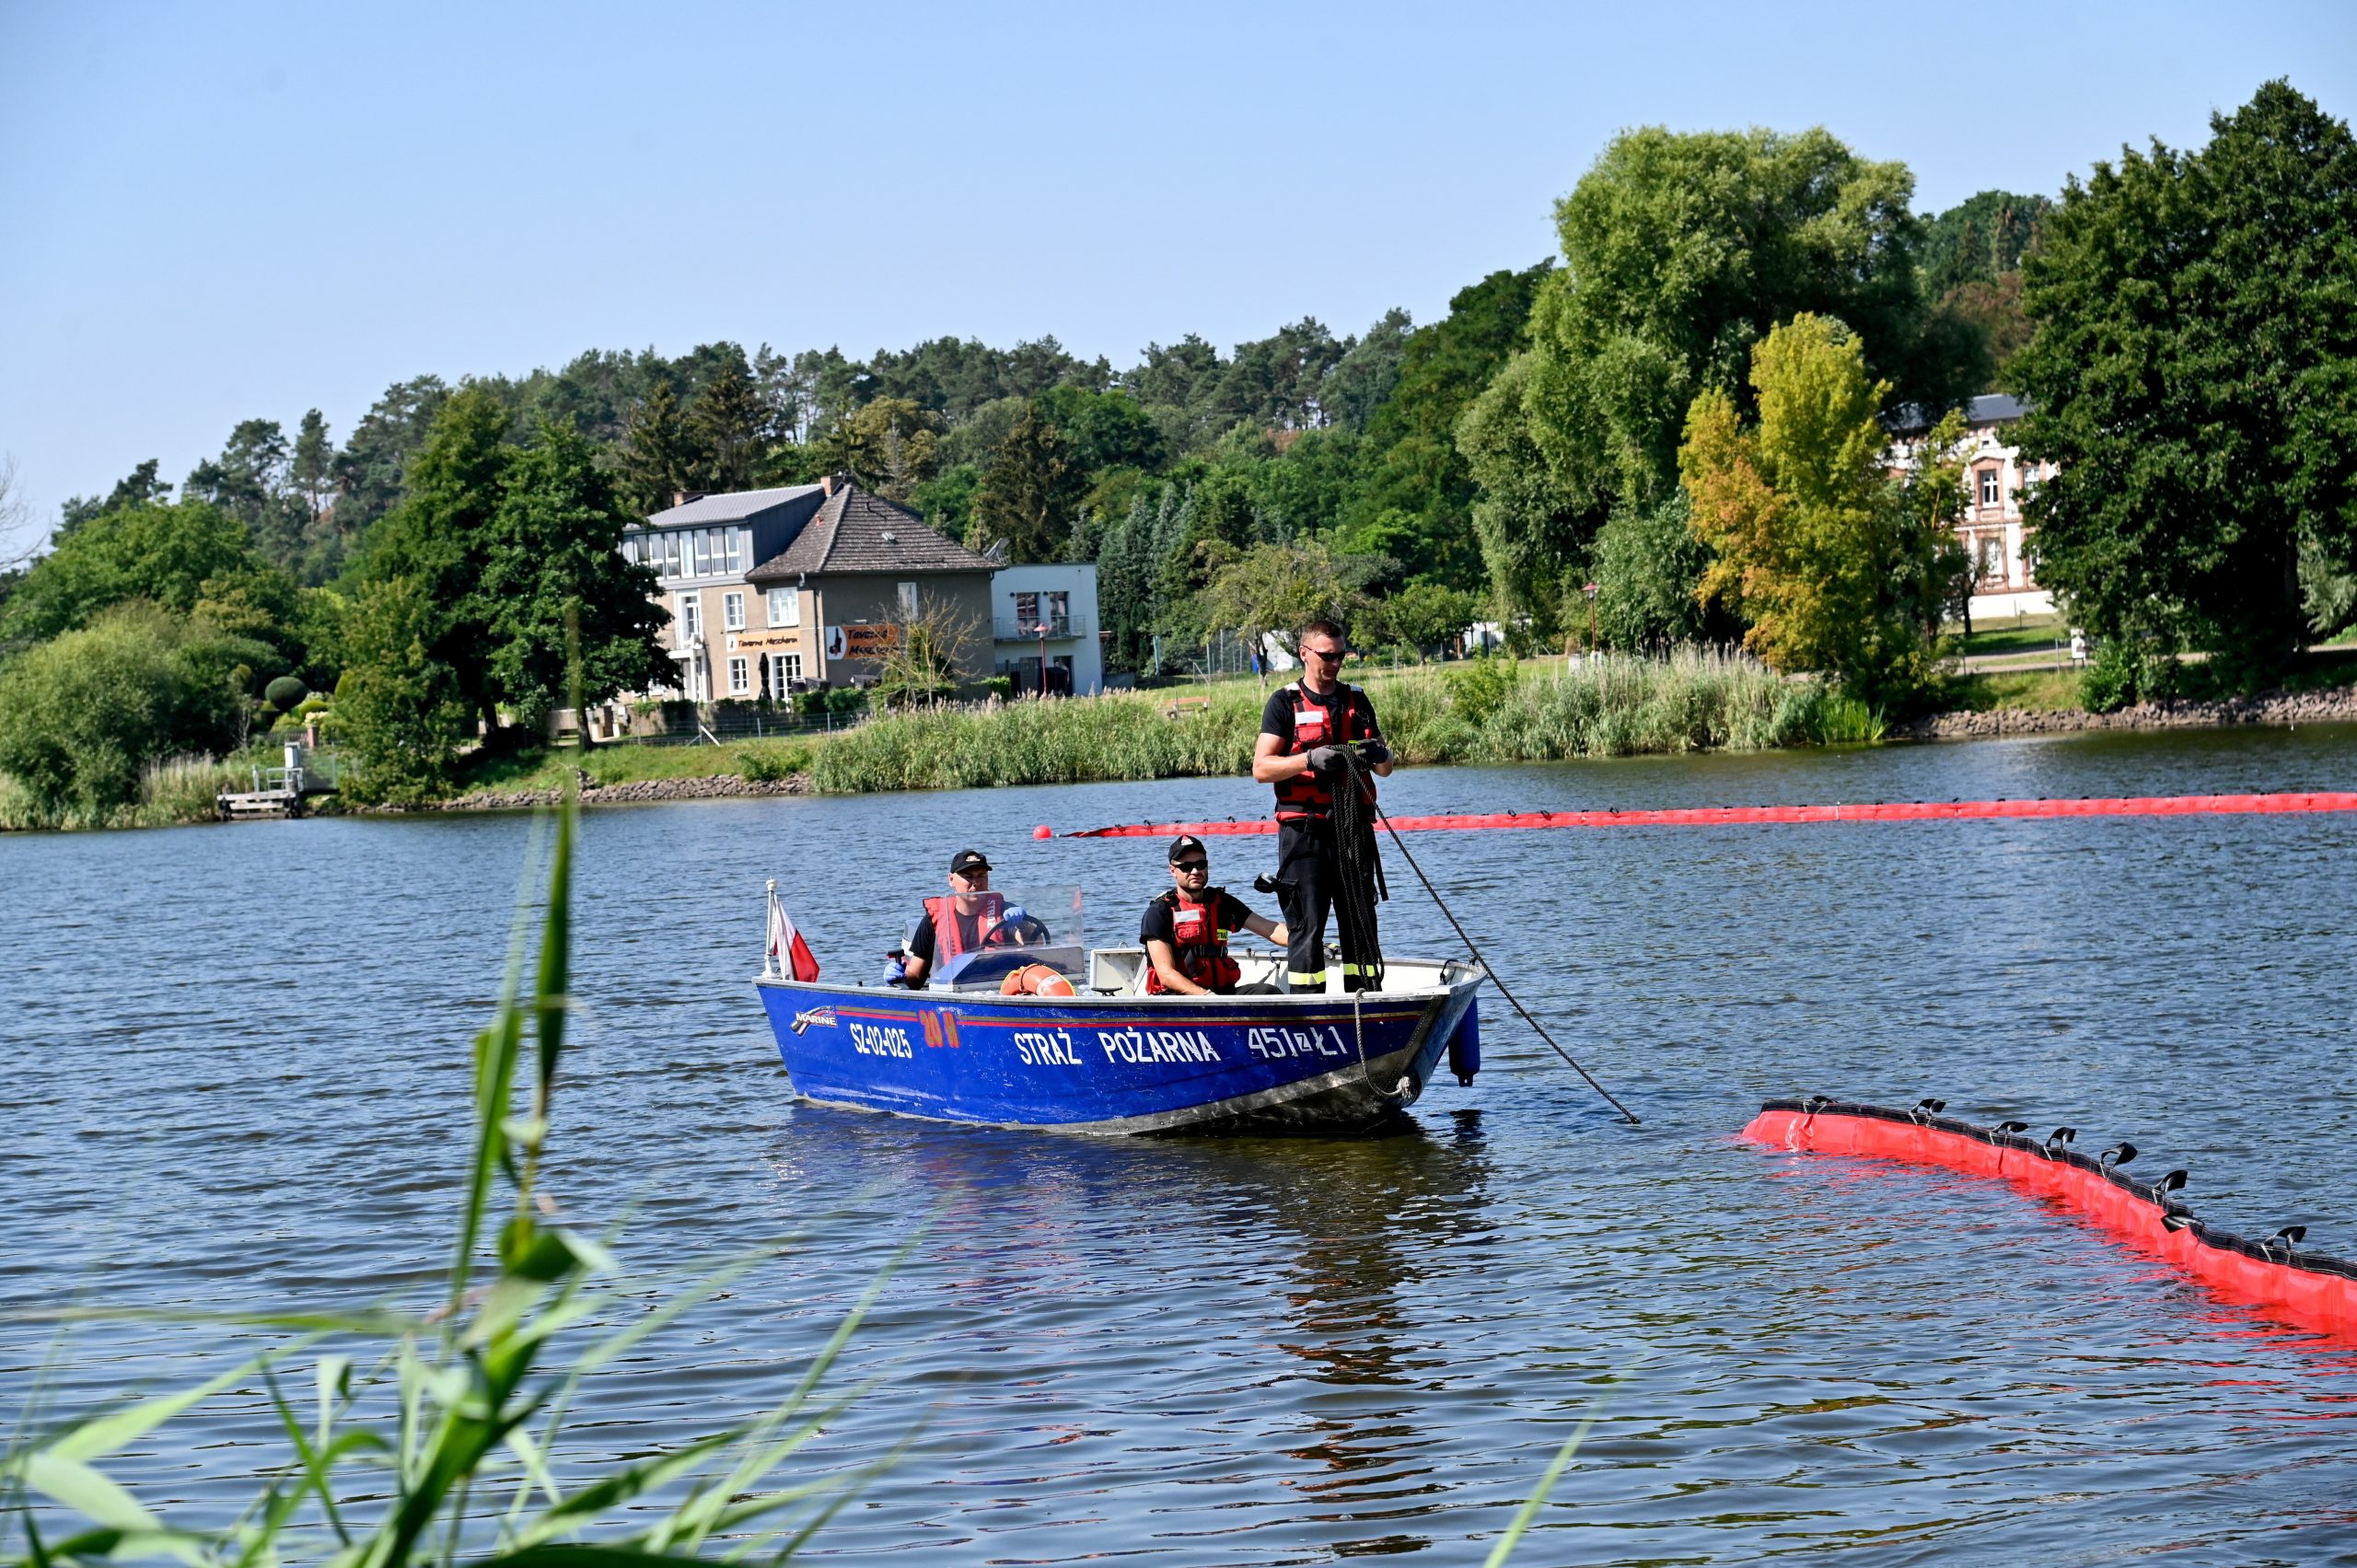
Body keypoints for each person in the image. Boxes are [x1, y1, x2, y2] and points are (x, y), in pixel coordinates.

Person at [1250, 620, 1392, 993]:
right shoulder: (1284, 703)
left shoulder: (1356, 701)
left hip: (1353, 833)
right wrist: (1309, 760)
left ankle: (1365, 1001)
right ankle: (1306, 1010)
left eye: (1341, 655)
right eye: (1327, 656)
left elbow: (1385, 769)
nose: (1335, 663)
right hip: (1305, 835)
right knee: (1307, 927)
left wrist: (1381, 751)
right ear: (1305, 653)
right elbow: (1262, 768)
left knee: (1360, 924)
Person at [1140, 835, 1288, 995]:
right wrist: (1207, 997)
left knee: (1268, 993)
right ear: (1173, 871)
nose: (1195, 871)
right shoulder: (1159, 912)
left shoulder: (1222, 902)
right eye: (1187, 867)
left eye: (1200, 864)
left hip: (1221, 995)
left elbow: (1270, 930)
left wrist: (1305, 940)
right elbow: (1166, 975)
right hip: (1180, 1000)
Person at [901, 847, 1007, 988]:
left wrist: (1021, 928)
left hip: (999, 988)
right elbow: (915, 979)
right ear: (951, 879)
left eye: (981, 875)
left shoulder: (1005, 912)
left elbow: (1032, 952)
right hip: (954, 992)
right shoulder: (933, 920)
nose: (976, 882)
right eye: (968, 877)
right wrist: (900, 976)